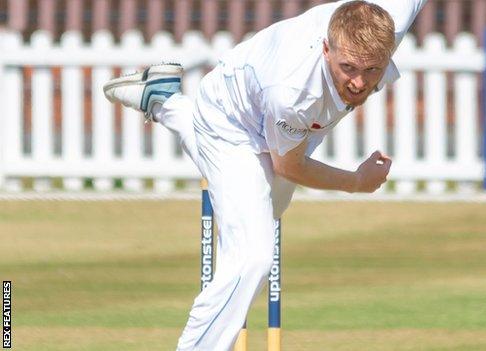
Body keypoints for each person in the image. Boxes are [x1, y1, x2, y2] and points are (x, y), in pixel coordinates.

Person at [104, 1, 426, 349]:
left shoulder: (392, 17)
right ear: (326, 47)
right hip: (230, 121)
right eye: (348, 67)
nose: (359, 83)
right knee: (252, 258)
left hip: (286, 118)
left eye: (373, 69)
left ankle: (164, 100)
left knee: (270, 208)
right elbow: (289, 166)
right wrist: (356, 182)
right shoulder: (293, 92)